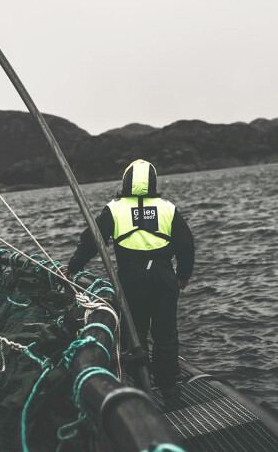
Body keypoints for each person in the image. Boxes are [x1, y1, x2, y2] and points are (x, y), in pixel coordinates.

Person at [64, 159, 194, 397]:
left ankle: (141, 385)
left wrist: (73, 267)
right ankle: (169, 386)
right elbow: (186, 245)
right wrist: (183, 275)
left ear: (125, 181)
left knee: (135, 334)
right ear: (154, 181)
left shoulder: (113, 209)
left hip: (131, 280)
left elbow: (91, 243)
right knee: (166, 334)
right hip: (164, 277)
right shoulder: (168, 208)